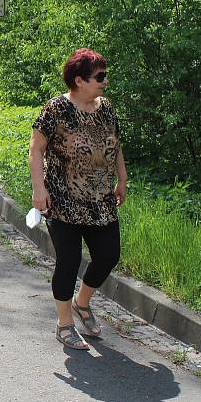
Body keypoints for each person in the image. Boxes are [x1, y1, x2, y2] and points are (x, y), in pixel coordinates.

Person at [28, 48, 127, 350]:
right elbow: (35, 149)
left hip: (101, 200)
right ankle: (64, 324)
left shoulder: (106, 108)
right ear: (80, 80)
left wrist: (122, 178)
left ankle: (81, 303)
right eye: (100, 76)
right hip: (63, 199)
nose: (105, 81)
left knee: (109, 255)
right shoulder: (56, 108)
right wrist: (38, 189)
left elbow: (116, 144)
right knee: (69, 261)